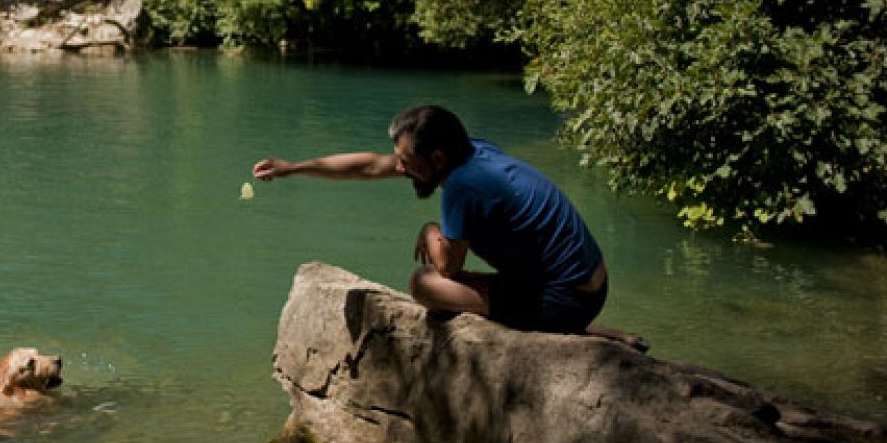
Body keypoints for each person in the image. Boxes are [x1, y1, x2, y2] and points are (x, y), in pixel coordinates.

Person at [252, 104, 646, 351]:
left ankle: (572, 327)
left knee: (424, 285)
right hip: (591, 284)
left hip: (566, 299)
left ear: (437, 157)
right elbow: (372, 165)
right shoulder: (475, 153)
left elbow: (448, 269)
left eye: (406, 160)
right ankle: (591, 330)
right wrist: (293, 168)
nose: (399, 168)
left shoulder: (463, 187)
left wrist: (428, 230)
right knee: (477, 281)